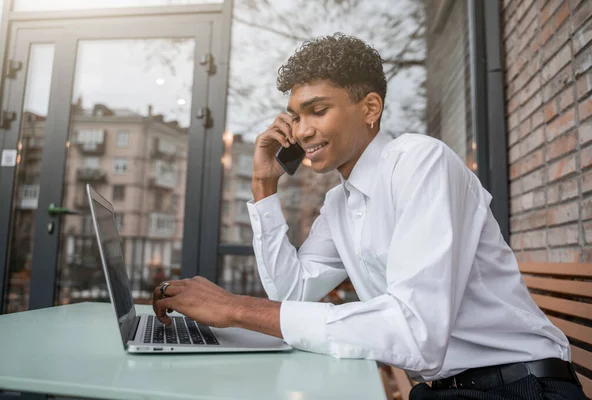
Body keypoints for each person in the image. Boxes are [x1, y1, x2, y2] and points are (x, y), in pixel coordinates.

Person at [152, 34, 586, 399]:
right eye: (296, 116)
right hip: (446, 388)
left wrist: (233, 308)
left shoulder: (421, 162)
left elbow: (416, 334)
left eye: (318, 111)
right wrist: (264, 188)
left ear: (370, 108)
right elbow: (292, 292)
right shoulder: (342, 201)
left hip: (518, 387)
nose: (301, 132)